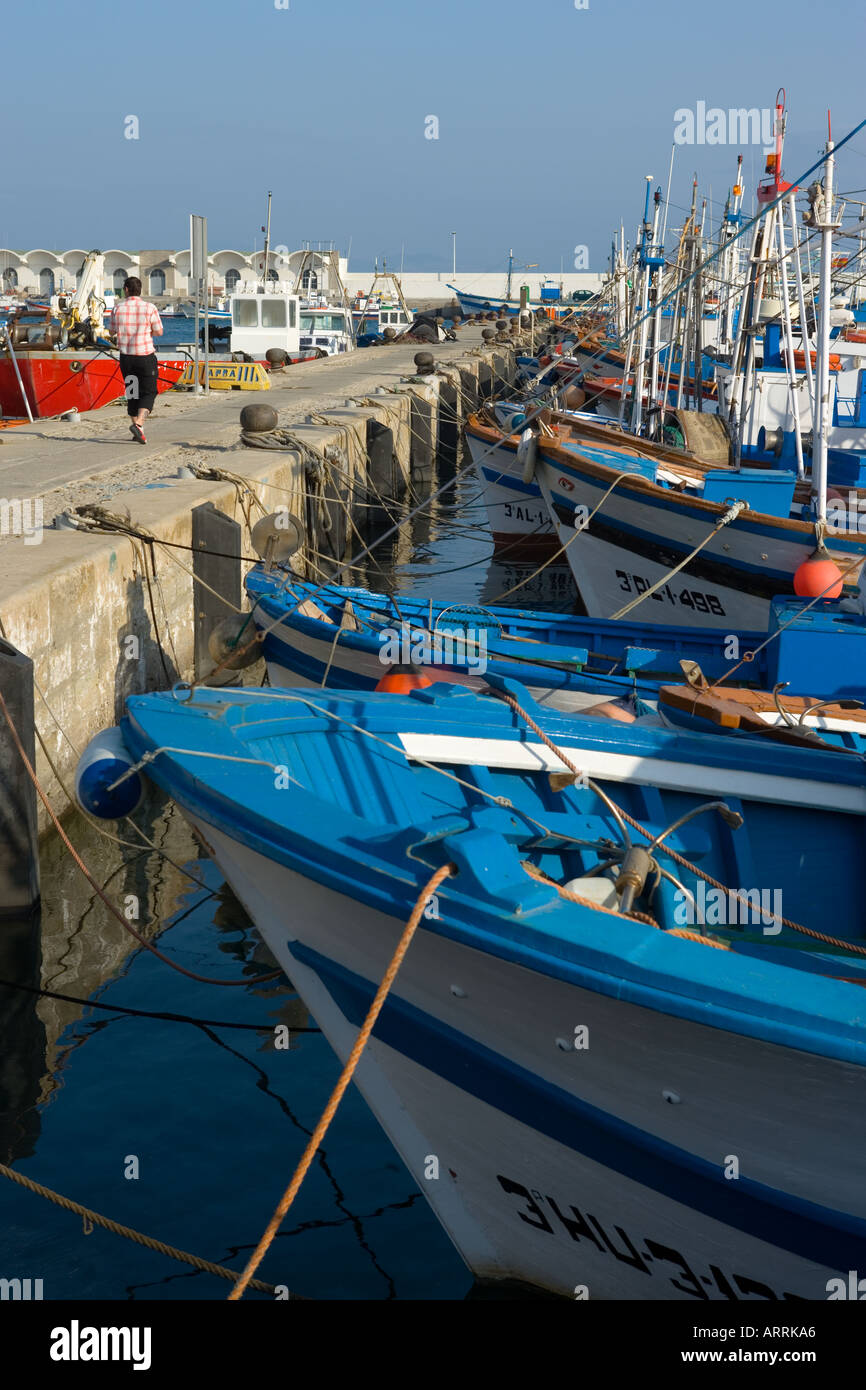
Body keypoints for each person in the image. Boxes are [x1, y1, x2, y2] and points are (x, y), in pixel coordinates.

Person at [110, 277, 163, 443]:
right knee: (149, 391)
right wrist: (147, 333)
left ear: (126, 289)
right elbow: (159, 332)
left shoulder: (117, 308)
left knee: (132, 392)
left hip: (126, 358)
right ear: (140, 289)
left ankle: (137, 432)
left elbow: (111, 332)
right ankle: (139, 424)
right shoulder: (149, 307)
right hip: (145, 357)